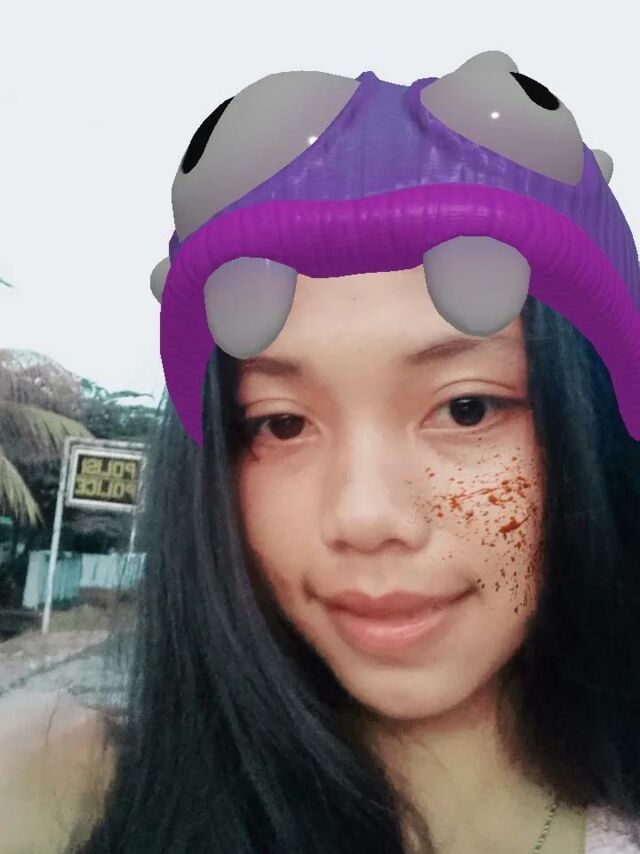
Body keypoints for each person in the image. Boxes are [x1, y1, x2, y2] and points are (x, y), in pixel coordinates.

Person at [5, 50, 640, 854]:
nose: (363, 517)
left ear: (596, 429)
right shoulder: (61, 791)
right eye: (280, 424)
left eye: (467, 408)